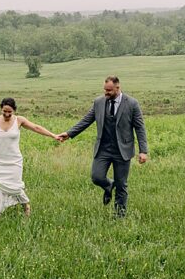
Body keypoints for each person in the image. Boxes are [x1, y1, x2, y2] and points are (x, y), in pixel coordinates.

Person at [58, 76, 148, 217]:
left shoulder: (132, 104)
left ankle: (119, 216)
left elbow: (140, 128)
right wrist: (69, 133)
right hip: (103, 148)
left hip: (122, 150)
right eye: (105, 90)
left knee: (121, 184)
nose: (106, 93)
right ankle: (108, 185)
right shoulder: (98, 102)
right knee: (96, 176)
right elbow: (86, 120)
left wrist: (143, 151)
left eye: (109, 90)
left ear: (118, 88)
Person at [0, 97, 61, 216]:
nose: (6, 114)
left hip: (14, 161)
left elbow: (36, 127)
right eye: (4, 111)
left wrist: (53, 135)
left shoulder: (19, 120)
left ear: (14, 110)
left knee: (15, 186)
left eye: (9, 112)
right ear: (1, 109)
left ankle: (26, 206)